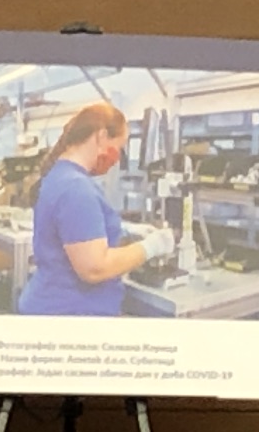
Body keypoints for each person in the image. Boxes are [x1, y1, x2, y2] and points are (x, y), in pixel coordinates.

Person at [15, 102, 156, 317]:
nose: (117, 157)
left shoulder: (61, 175)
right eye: (118, 147)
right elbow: (94, 268)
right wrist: (151, 247)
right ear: (101, 136)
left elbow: (73, 229)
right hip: (69, 313)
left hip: (53, 305)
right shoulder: (76, 187)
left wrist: (124, 229)